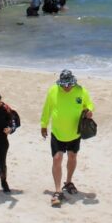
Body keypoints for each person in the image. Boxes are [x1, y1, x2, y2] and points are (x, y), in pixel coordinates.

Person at [40, 69, 94, 207]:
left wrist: (89, 111)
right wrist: (43, 125)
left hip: (75, 133)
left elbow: (89, 104)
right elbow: (47, 108)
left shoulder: (81, 91)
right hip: (58, 132)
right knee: (57, 158)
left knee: (72, 157)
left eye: (68, 84)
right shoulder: (53, 90)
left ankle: (68, 182)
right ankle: (58, 191)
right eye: (64, 85)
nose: (66, 87)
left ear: (73, 82)